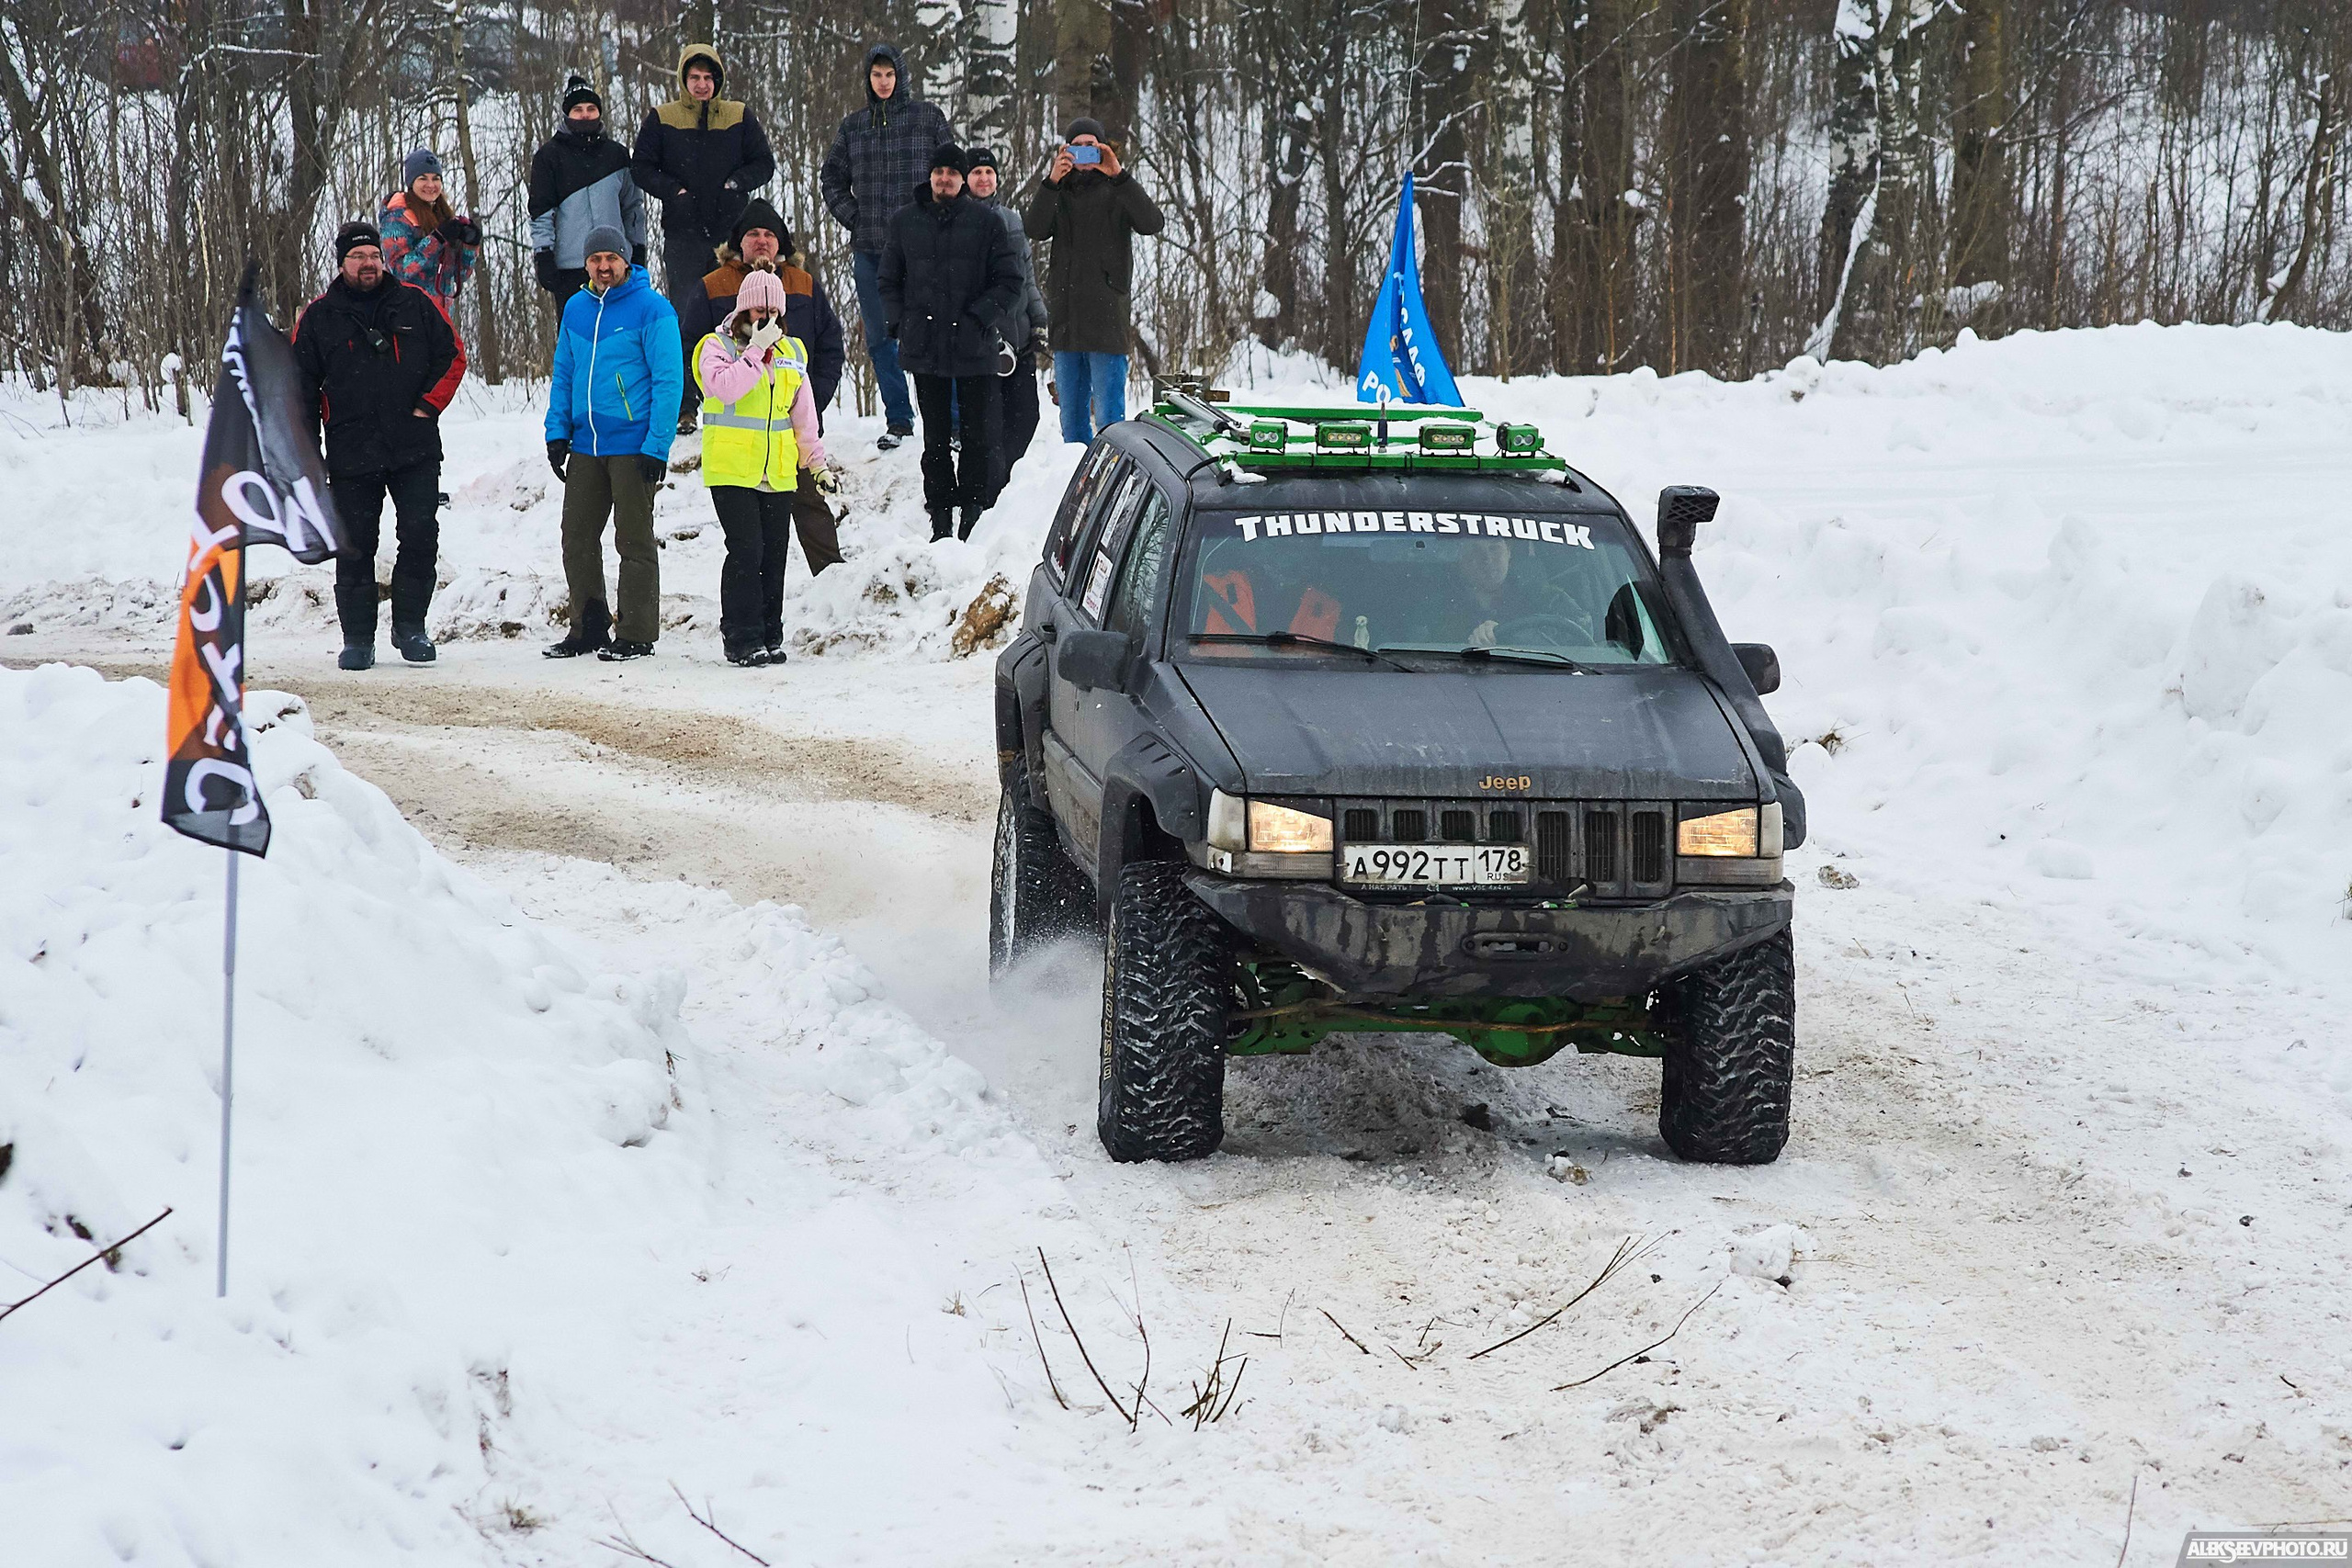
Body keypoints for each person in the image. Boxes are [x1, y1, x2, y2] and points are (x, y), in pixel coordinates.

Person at [292, 220, 465, 671]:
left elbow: (454, 356)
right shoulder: (318, 317)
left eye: (373, 256)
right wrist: (309, 453)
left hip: (415, 448)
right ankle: (357, 639)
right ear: (341, 262)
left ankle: (411, 627)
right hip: (351, 452)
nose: (368, 264)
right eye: (357, 257)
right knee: (354, 546)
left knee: (420, 535)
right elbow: (300, 390)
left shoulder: (415, 302)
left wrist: (428, 406)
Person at [677, 198, 847, 576]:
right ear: (739, 241)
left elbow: (831, 346)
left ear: (781, 243)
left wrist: (809, 401)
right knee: (749, 544)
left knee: (809, 503)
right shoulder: (714, 284)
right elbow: (689, 345)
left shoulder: (803, 283)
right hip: (739, 432)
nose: (761, 241)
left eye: (770, 234)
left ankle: (834, 579)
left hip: (792, 424)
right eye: (753, 233)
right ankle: (748, 624)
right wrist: (695, 401)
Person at [542, 227, 681, 662]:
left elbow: (668, 380)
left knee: (634, 539)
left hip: (633, 445)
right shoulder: (577, 309)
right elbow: (563, 372)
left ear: (626, 261)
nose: (604, 267)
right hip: (585, 444)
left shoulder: (652, 309)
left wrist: (657, 445)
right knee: (577, 537)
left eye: (611, 259)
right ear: (585, 264)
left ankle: (637, 632)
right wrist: (556, 431)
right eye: (595, 259)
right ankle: (589, 626)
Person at [692, 269, 837, 666]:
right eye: (759, 309)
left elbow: (804, 417)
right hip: (732, 470)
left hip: (777, 473)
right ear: (742, 309)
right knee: (746, 550)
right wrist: (754, 351)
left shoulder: (792, 354)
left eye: (774, 310)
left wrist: (817, 465)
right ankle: (740, 638)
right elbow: (724, 388)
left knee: (774, 554)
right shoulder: (716, 347)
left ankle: (770, 635)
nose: (766, 317)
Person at [879, 144, 1023, 541]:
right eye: (939, 171)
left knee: (979, 435)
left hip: (974, 347)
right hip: (925, 347)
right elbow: (888, 280)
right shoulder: (905, 222)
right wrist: (900, 323)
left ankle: (974, 514)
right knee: (935, 437)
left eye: (953, 173)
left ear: (963, 179)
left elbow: (1011, 281)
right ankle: (939, 515)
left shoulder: (986, 223)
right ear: (930, 175)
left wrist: (980, 316)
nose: (945, 178)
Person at [630, 43, 775, 435]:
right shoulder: (663, 117)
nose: (701, 84)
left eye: (708, 77)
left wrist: (737, 184)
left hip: (731, 234)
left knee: (740, 312)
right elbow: (640, 166)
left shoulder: (739, 115)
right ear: (683, 79)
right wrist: (672, 191)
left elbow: (764, 162)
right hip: (683, 232)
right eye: (694, 77)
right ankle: (685, 406)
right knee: (685, 317)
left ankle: (742, 394)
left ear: (718, 80)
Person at [820, 44, 956, 451]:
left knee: (934, 331)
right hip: (871, 248)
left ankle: (949, 423)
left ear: (902, 77)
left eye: (890, 74)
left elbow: (953, 171)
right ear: (868, 79)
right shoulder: (854, 126)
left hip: (923, 248)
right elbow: (830, 179)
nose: (883, 82)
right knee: (881, 337)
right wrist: (855, 217)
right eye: (876, 75)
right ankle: (899, 418)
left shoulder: (927, 118)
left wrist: (939, 219)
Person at [1024, 118, 1164, 444]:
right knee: (1071, 418)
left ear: (1103, 149)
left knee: (1109, 419)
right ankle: (1075, 480)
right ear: (1066, 150)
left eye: (1092, 145)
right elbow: (1034, 229)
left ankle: (1110, 482)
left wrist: (1119, 175)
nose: (1085, 152)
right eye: (1078, 146)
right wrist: (1051, 181)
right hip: (1067, 314)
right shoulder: (1058, 190)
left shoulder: (1118, 189)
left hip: (1107, 313)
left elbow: (1152, 223)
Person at [963, 146, 1047, 504]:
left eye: (989, 172)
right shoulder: (961, 222)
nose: (983, 179)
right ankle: (988, 498)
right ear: (966, 179)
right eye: (977, 172)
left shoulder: (1013, 220)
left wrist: (1039, 320)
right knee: (988, 428)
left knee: (1026, 418)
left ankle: (1011, 491)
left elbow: (1027, 278)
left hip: (1021, 338)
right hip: (983, 344)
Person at [529, 77, 645, 310]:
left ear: (599, 113)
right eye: (578, 109)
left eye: (591, 109)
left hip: (615, 264)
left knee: (620, 336)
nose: (585, 115)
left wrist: (638, 248)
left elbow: (632, 208)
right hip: (570, 267)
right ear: (567, 113)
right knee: (576, 339)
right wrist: (543, 255)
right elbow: (541, 213)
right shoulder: (548, 157)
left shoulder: (617, 155)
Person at [379, 150, 480, 312]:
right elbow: (399, 270)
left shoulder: (443, 215)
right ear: (411, 182)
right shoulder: (396, 218)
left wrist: (470, 245)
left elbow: (461, 275)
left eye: (436, 178)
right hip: (407, 311)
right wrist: (436, 239)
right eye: (423, 179)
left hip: (442, 315)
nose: (430, 185)